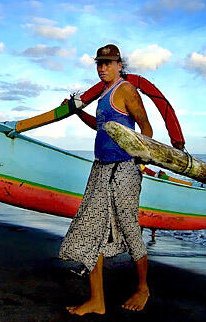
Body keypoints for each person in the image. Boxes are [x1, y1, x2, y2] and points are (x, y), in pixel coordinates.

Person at [59, 44, 153, 315]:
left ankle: (143, 288)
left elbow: (145, 127)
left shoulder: (126, 90)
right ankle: (97, 300)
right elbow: (99, 127)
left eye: (108, 63)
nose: (102, 67)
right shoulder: (104, 94)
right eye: (99, 63)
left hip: (123, 169)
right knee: (92, 229)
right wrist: (77, 112)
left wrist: (141, 162)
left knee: (128, 227)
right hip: (100, 168)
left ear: (119, 65)